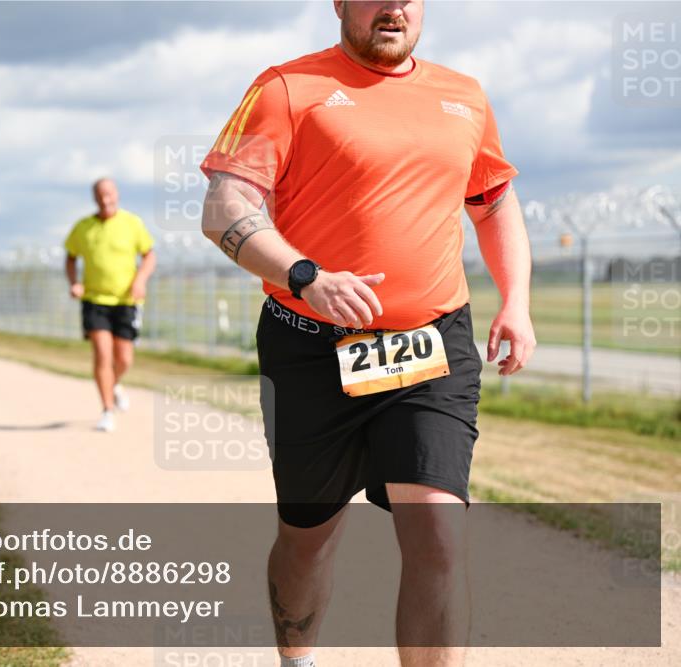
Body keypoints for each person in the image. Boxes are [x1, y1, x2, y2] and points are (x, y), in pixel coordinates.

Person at [199, 2, 536, 666]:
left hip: (429, 342)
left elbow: (493, 201)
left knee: (439, 530)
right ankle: (297, 659)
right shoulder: (286, 89)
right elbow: (224, 205)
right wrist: (304, 274)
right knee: (308, 536)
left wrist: (517, 301)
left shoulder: (463, 96)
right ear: (339, 4)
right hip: (309, 349)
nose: (393, 8)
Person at [64, 178, 156, 432]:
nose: (105, 200)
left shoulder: (132, 223)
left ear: (116, 194)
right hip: (95, 300)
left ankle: (114, 383)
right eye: (100, 196)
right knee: (103, 354)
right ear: (94, 197)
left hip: (127, 301)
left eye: (109, 195)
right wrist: (74, 282)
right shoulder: (83, 227)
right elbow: (70, 258)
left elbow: (149, 255)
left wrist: (140, 280)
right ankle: (107, 409)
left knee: (124, 358)